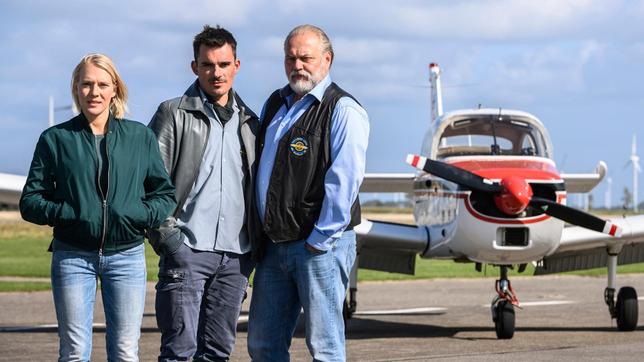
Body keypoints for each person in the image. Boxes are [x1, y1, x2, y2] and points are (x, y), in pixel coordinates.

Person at [19, 53, 176, 361]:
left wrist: (138, 216)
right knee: (75, 352)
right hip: (72, 255)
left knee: (125, 352)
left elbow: (164, 194)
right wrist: (70, 213)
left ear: (115, 89)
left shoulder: (139, 137)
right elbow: (30, 201)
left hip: (127, 257)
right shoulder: (54, 139)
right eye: (87, 84)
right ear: (76, 88)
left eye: (103, 84)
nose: (94, 92)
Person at [247, 24, 370, 361]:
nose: (297, 65)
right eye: (290, 58)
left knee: (325, 346)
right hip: (274, 248)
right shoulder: (276, 103)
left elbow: (344, 182)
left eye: (306, 58)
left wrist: (319, 239)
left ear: (327, 60)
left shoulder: (343, 110)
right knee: (263, 345)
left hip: (317, 247)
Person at [147, 25, 260, 361]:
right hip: (188, 250)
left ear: (236, 66)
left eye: (224, 64)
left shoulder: (252, 122)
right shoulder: (173, 113)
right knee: (179, 352)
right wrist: (170, 241)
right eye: (208, 64)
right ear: (194, 67)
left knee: (217, 352)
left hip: (236, 258)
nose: (216, 73)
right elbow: (150, 185)